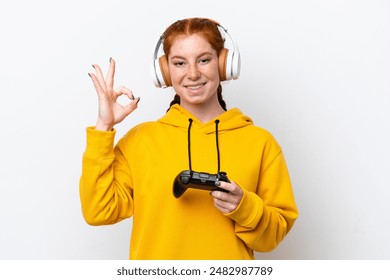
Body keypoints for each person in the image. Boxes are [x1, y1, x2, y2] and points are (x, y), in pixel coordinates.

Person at [80, 17, 298, 260]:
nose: (193, 73)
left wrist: (244, 207)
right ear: (164, 72)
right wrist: (104, 126)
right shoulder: (140, 140)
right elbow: (98, 211)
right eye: (180, 63)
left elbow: (274, 236)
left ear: (223, 63)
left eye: (204, 60)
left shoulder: (260, 143)